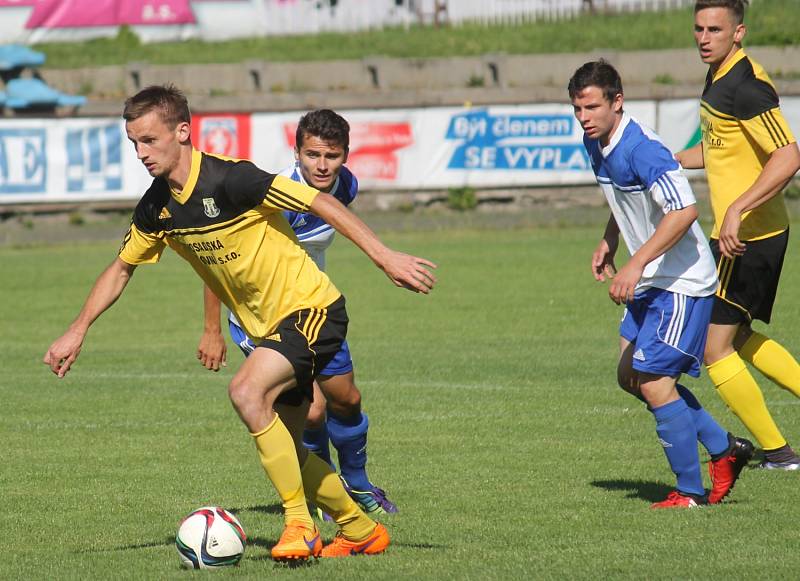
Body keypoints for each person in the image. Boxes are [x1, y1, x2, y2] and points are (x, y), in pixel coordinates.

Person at [43, 85, 437, 559]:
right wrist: (79, 327)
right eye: (134, 143)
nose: (141, 153)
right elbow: (121, 268)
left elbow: (319, 202)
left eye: (149, 140)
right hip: (265, 329)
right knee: (288, 449)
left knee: (246, 392)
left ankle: (300, 525)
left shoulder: (233, 180)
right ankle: (359, 529)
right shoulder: (157, 208)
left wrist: (385, 257)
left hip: (311, 309)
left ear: (183, 131)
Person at [569, 60, 753, 508]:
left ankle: (689, 492)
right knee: (631, 375)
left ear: (617, 101)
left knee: (652, 380)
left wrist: (635, 266)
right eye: (576, 109)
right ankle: (726, 449)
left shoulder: (644, 148)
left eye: (591, 106)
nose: (583, 117)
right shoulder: (597, 142)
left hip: (682, 281)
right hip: (652, 276)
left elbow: (684, 210)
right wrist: (610, 240)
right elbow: (621, 195)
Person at [197, 109, 398, 515]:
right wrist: (211, 329)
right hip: (262, 319)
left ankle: (357, 484)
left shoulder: (346, 186)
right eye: (312, 156)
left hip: (313, 310)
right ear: (297, 152)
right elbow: (217, 257)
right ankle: (325, 497)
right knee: (313, 410)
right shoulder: (271, 196)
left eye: (332, 156)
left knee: (347, 400)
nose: (322, 165)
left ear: (345, 155)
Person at [675, 0, 800, 469]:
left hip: (749, 236)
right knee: (738, 335)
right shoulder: (719, 77)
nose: (704, 37)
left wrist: (737, 211)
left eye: (715, 29)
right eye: (699, 28)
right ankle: (780, 451)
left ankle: (778, 452)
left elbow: (788, 156)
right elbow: (718, 149)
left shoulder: (746, 86)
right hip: (739, 232)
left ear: (739, 32)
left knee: (714, 346)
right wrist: (666, 160)